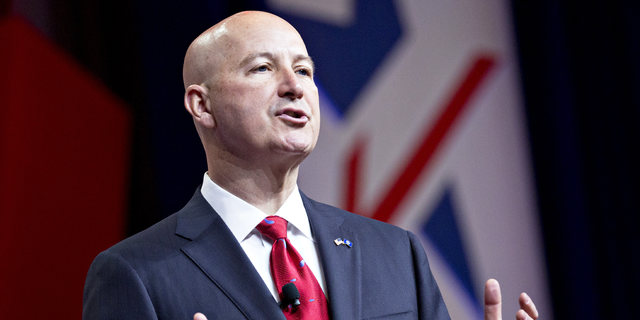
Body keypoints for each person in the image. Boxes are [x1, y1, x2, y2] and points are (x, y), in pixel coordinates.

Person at [82, 11, 539, 320]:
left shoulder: (397, 254)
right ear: (202, 105)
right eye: (262, 68)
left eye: (304, 71)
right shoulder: (135, 275)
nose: (294, 86)